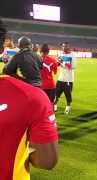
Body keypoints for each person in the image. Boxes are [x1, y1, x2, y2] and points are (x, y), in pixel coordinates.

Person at [0, 19, 58, 180]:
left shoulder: (18, 57)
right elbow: (47, 161)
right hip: (34, 93)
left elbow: (7, 70)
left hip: (24, 91)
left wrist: (16, 80)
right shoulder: (37, 56)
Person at [54, 42, 76, 114]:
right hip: (60, 78)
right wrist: (57, 61)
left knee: (68, 95)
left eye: (65, 46)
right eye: (63, 46)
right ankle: (55, 105)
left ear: (69, 47)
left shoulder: (72, 56)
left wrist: (62, 62)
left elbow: (72, 67)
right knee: (56, 94)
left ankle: (68, 107)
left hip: (68, 79)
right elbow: (57, 65)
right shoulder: (60, 55)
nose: (64, 48)